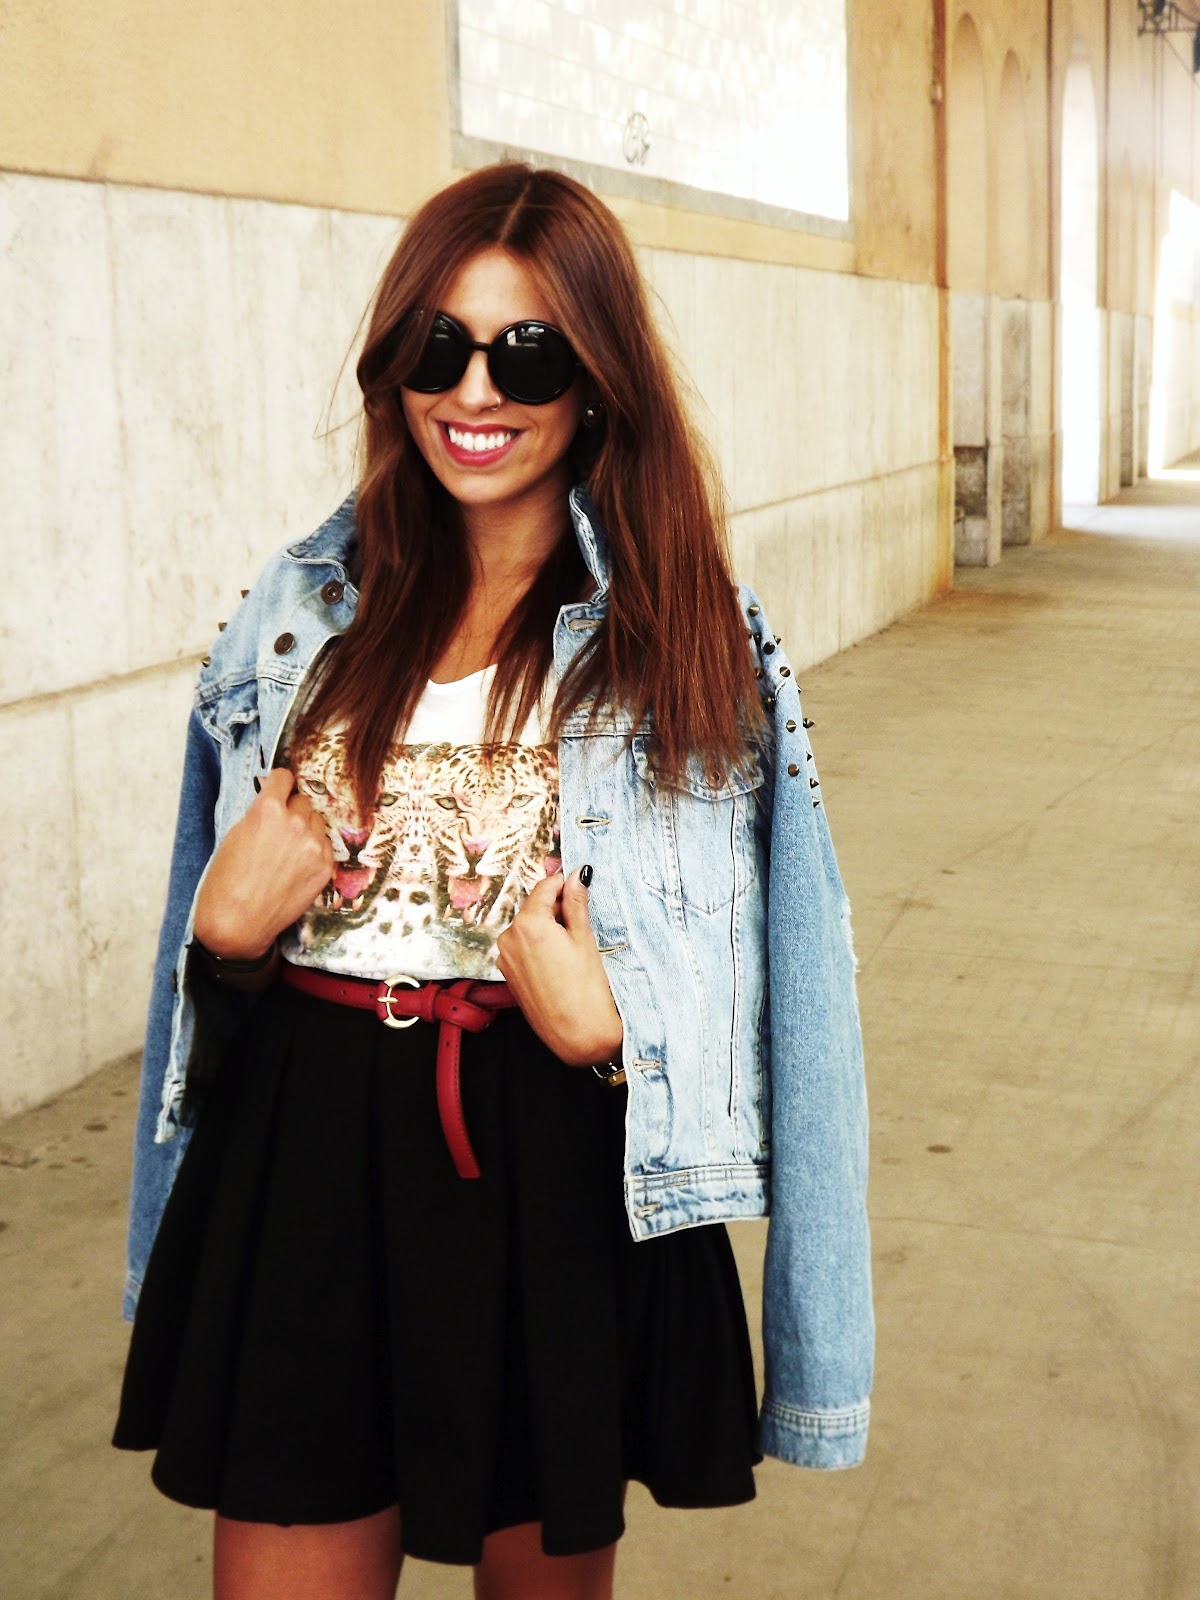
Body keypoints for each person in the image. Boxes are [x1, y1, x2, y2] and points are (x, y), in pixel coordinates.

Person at [113, 162, 874, 1600]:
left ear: (598, 376)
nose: (475, 390)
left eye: (526, 352)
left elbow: (801, 982)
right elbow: (212, 948)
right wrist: (227, 937)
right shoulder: (302, 608)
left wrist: (613, 1042)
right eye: (435, 346)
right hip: (306, 1152)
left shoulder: (691, 635)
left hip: (551, 1161)